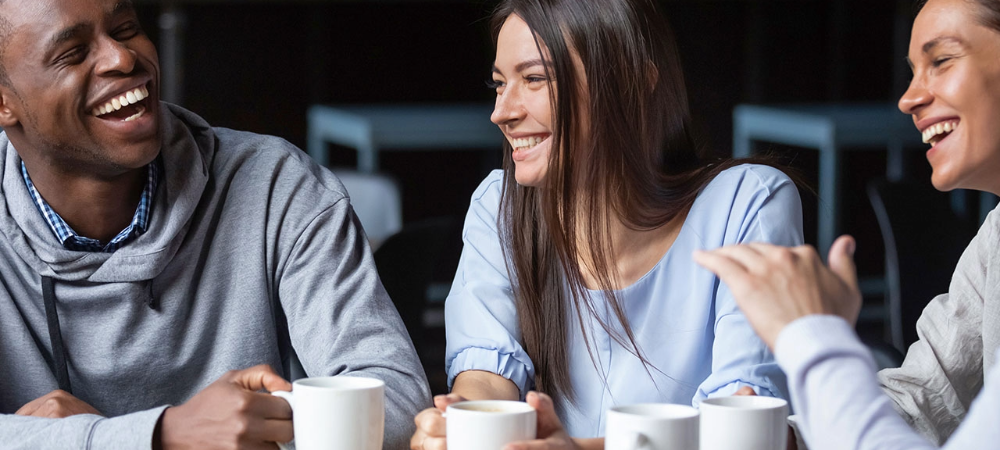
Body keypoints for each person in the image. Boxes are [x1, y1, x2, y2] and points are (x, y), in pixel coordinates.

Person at [0, 0, 430, 448]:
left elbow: (396, 401)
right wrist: (160, 435)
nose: (122, 58)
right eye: (73, 52)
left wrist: (70, 440)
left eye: (126, 28)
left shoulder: (279, 186)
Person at [411, 0, 804, 448]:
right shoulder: (500, 207)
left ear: (633, 84)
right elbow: (486, 372)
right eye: (500, 84)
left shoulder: (746, 201)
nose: (501, 111)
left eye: (534, 79)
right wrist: (464, 423)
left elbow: (745, 430)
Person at [693, 0, 1000, 447]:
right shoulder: (994, 238)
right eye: (914, 70)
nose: (908, 98)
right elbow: (922, 398)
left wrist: (813, 336)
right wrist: (783, 438)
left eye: (941, 61)